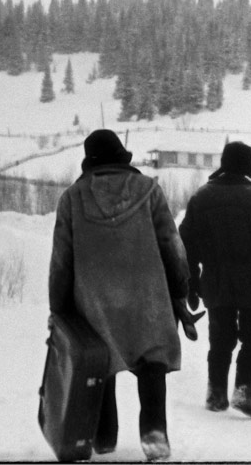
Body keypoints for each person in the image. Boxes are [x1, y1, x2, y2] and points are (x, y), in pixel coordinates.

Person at [48, 129, 198, 461]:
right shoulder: (148, 190)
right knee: (152, 366)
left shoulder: (72, 198)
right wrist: (179, 288)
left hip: (95, 302)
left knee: (101, 365)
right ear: (122, 155)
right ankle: (155, 435)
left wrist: (58, 309)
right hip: (148, 300)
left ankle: (104, 440)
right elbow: (173, 246)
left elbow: (61, 261)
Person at [180, 141, 251, 419]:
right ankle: (243, 392)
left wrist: (191, 283)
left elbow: (185, 245)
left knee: (220, 340)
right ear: (248, 166)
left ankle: (216, 393)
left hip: (216, 281)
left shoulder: (201, 198)